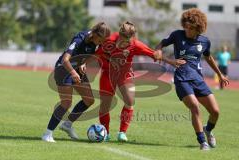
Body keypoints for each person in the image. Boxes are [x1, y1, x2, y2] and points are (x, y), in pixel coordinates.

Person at [82, 21, 185, 142]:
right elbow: (97, 54)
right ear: (119, 35)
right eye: (122, 39)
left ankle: (122, 133)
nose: (124, 43)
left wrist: (171, 61)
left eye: (128, 40)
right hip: (107, 74)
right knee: (105, 106)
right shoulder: (108, 40)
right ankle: (106, 133)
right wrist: (84, 62)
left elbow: (154, 54)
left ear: (132, 38)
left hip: (125, 75)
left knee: (129, 101)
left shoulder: (136, 45)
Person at [155, 8, 229, 150]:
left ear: (199, 28)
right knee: (194, 106)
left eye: (191, 28)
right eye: (186, 27)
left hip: (198, 80)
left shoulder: (205, 42)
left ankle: (208, 130)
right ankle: (202, 142)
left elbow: (209, 58)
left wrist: (220, 74)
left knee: (215, 112)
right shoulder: (177, 35)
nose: (187, 30)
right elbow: (161, 44)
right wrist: (162, 53)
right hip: (182, 79)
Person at [42, 22, 111, 142]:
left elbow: (92, 54)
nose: (102, 43)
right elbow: (65, 59)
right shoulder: (79, 39)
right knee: (66, 103)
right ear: (95, 34)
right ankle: (47, 134)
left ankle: (67, 125)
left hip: (76, 69)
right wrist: (73, 73)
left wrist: (84, 63)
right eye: (101, 40)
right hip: (63, 69)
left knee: (89, 100)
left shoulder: (97, 43)